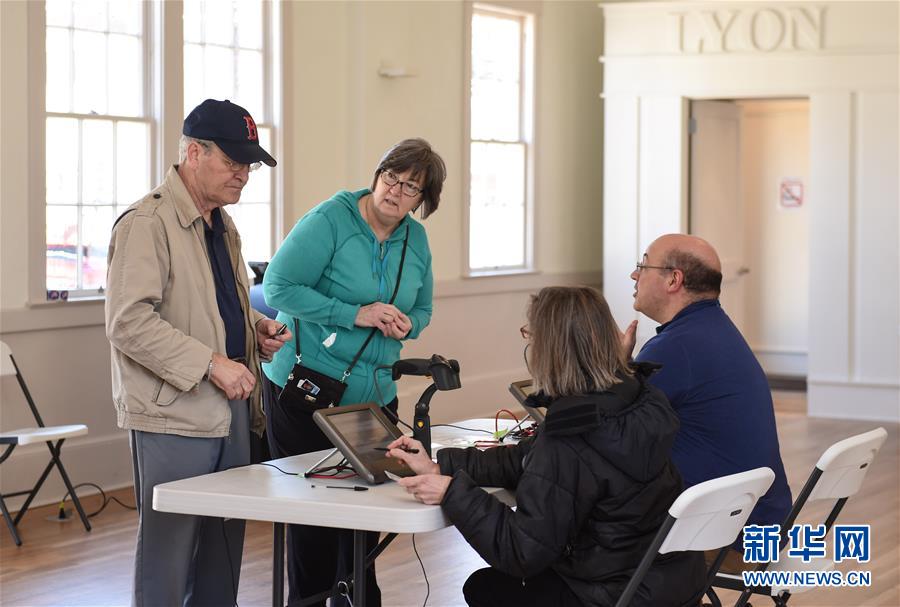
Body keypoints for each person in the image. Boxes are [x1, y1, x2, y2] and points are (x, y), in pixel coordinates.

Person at [387, 286, 707, 607]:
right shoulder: (637, 399)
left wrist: (452, 493)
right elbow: (530, 459)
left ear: (551, 348)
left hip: (611, 592)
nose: (530, 343)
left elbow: (521, 552)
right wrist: (442, 466)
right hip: (666, 581)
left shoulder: (572, 432)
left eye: (532, 334)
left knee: (486, 587)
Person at [105, 99, 290, 607]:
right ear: (193, 153)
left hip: (230, 407)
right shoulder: (147, 223)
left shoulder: (222, 225)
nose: (244, 176)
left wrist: (256, 329)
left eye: (248, 165)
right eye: (233, 163)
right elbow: (129, 321)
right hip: (174, 415)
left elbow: (213, 305)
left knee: (223, 549)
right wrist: (211, 363)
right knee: (170, 554)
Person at [261, 138, 446, 607]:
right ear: (378, 174)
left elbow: (423, 309)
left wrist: (411, 324)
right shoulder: (330, 220)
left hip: (374, 394)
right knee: (314, 519)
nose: (395, 192)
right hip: (306, 386)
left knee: (366, 511)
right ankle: (309, 600)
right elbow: (279, 287)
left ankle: (358, 599)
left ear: (422, 200)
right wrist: (354, 313)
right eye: (390, 178)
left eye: (410, 188)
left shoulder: (415, 240)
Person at [622, 233, 792, 572]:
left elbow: (612, 433)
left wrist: (614, 374)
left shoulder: (674, 348)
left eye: (643, 264)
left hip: (727, 539)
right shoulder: (714, 328)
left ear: (674, 279)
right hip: (763, 525)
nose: (634, 275)